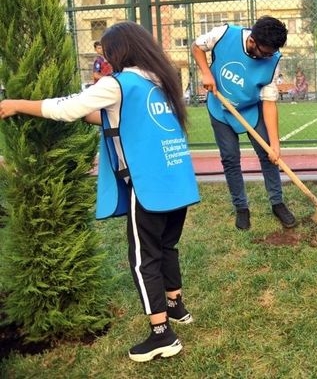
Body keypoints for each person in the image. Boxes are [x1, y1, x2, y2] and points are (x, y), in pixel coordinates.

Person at [0, 21, 200, 362]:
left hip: (149, 184)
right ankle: (175, 306)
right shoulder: (161, 80)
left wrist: (17, 104)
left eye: (107, 54)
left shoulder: (118, 83)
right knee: (167, 245)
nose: (106, 61)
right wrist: (87, 114)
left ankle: (162, 334)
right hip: (177, 179)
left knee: (142, 259)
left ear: (119, 52)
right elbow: (119, 118)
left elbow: (66, 108)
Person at [190, 15, 296, 231]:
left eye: (272, 53)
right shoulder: (224, 34)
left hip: (251, 110)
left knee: (269, 157)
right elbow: (197, 47)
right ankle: (241, 208)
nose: (269, 56)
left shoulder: (273, 60)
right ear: (252, 42)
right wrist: (206, 72)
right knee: (230, 158)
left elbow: (268, 102)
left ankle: (277, 203)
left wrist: (274, 144)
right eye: (265, 53)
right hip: (220, 109)